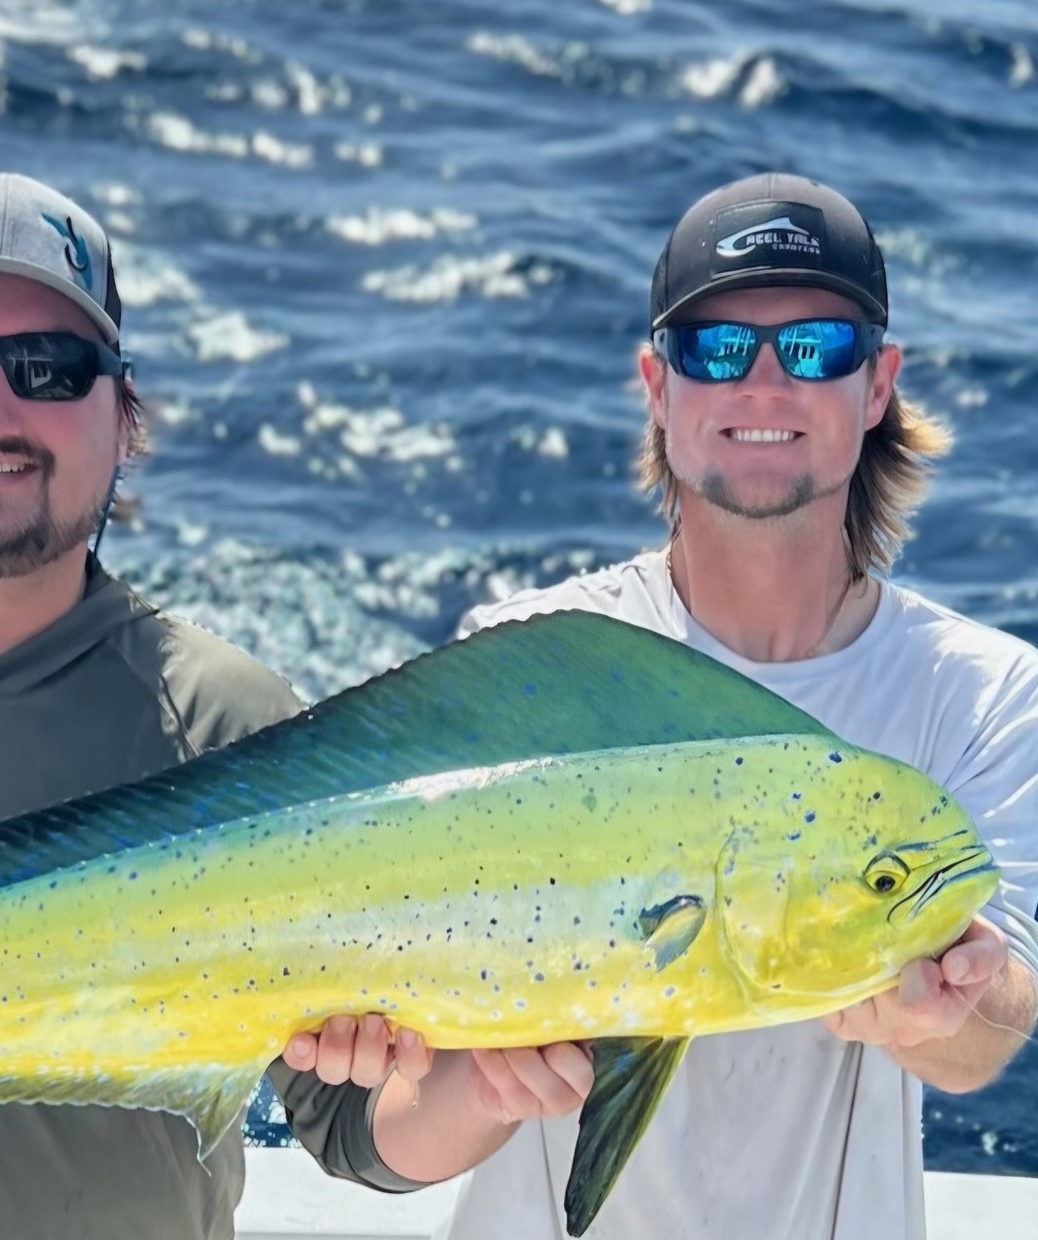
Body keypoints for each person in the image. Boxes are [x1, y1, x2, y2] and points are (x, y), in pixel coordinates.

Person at [276, 173, 1038, 1239]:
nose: (763, 383)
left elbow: (991, 1028)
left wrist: (940, 1008)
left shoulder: (986, 690)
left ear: (877, 386)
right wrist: (487, 1089)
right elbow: (371, 1141)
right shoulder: (531, 658)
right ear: (656, 385)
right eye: (715, 348)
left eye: (814, 347)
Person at [0, 171, 333, 1240]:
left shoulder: (237, 731)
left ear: (124, 416)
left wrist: (491, 1087)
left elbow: (363, 1128)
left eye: (50, 368)